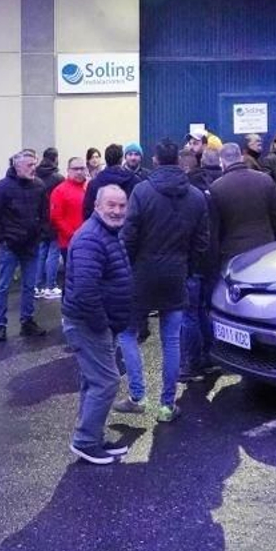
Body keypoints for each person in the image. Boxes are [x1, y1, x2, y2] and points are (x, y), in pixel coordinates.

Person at [115, 138, 209, 423]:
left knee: (127, 334)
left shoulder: (142, 192)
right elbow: (201, 243)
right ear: (180, 162)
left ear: (154, 160)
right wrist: (187, 267)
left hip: (141, 275)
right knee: (171, 341)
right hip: (176, 274)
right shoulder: (195, 196)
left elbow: (128, 236)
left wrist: (126, 268)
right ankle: (167, 405)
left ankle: (137, 396)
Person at [61, 184, 134, 465]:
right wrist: (102, 325)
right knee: (106, 381)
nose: (117, 211)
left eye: (121, 205)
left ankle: (92, 435)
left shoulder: (108, 233)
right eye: (111, 205)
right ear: (97, 206)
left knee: (94, 381)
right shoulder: (91, 238)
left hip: (102, 323)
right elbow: (86, 291)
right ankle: (86, 441)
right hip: (88, 324)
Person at [0, 149, 48, 341]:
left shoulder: (39, 186)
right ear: (16, 166)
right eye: (29, 165)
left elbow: (45, 214)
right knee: (3, 286)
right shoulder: (2, 187)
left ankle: (27, 322)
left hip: (31, 246)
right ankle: (0, 325)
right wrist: (2, 239)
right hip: (10, 247)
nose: (33, 168)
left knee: (29, 286)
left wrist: (40, 234)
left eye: (34, 164)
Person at [48, 156, 88, 291]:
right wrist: (73, 235)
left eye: (82, 168)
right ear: (68, 170)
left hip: (89, 241)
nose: (79, 172)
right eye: (75, 169)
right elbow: (56, 218)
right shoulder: (59, 191)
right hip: (69, 243)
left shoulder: (89, 188)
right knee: (72, 278)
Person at [34, 148, 64, 300]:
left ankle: (37, 286)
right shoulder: (58, 178)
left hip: (40, 220)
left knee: (41, 253)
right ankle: (50, 286)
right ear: (55, 158)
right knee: (53, 253)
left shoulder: (35, 175)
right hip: (53, 219)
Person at [81, 143, 136, 220]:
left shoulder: (94, 183)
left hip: (101, 228)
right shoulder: (133, 181)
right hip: (126, 228)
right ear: (121, 159)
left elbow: (88, 212)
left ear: (105, 160)